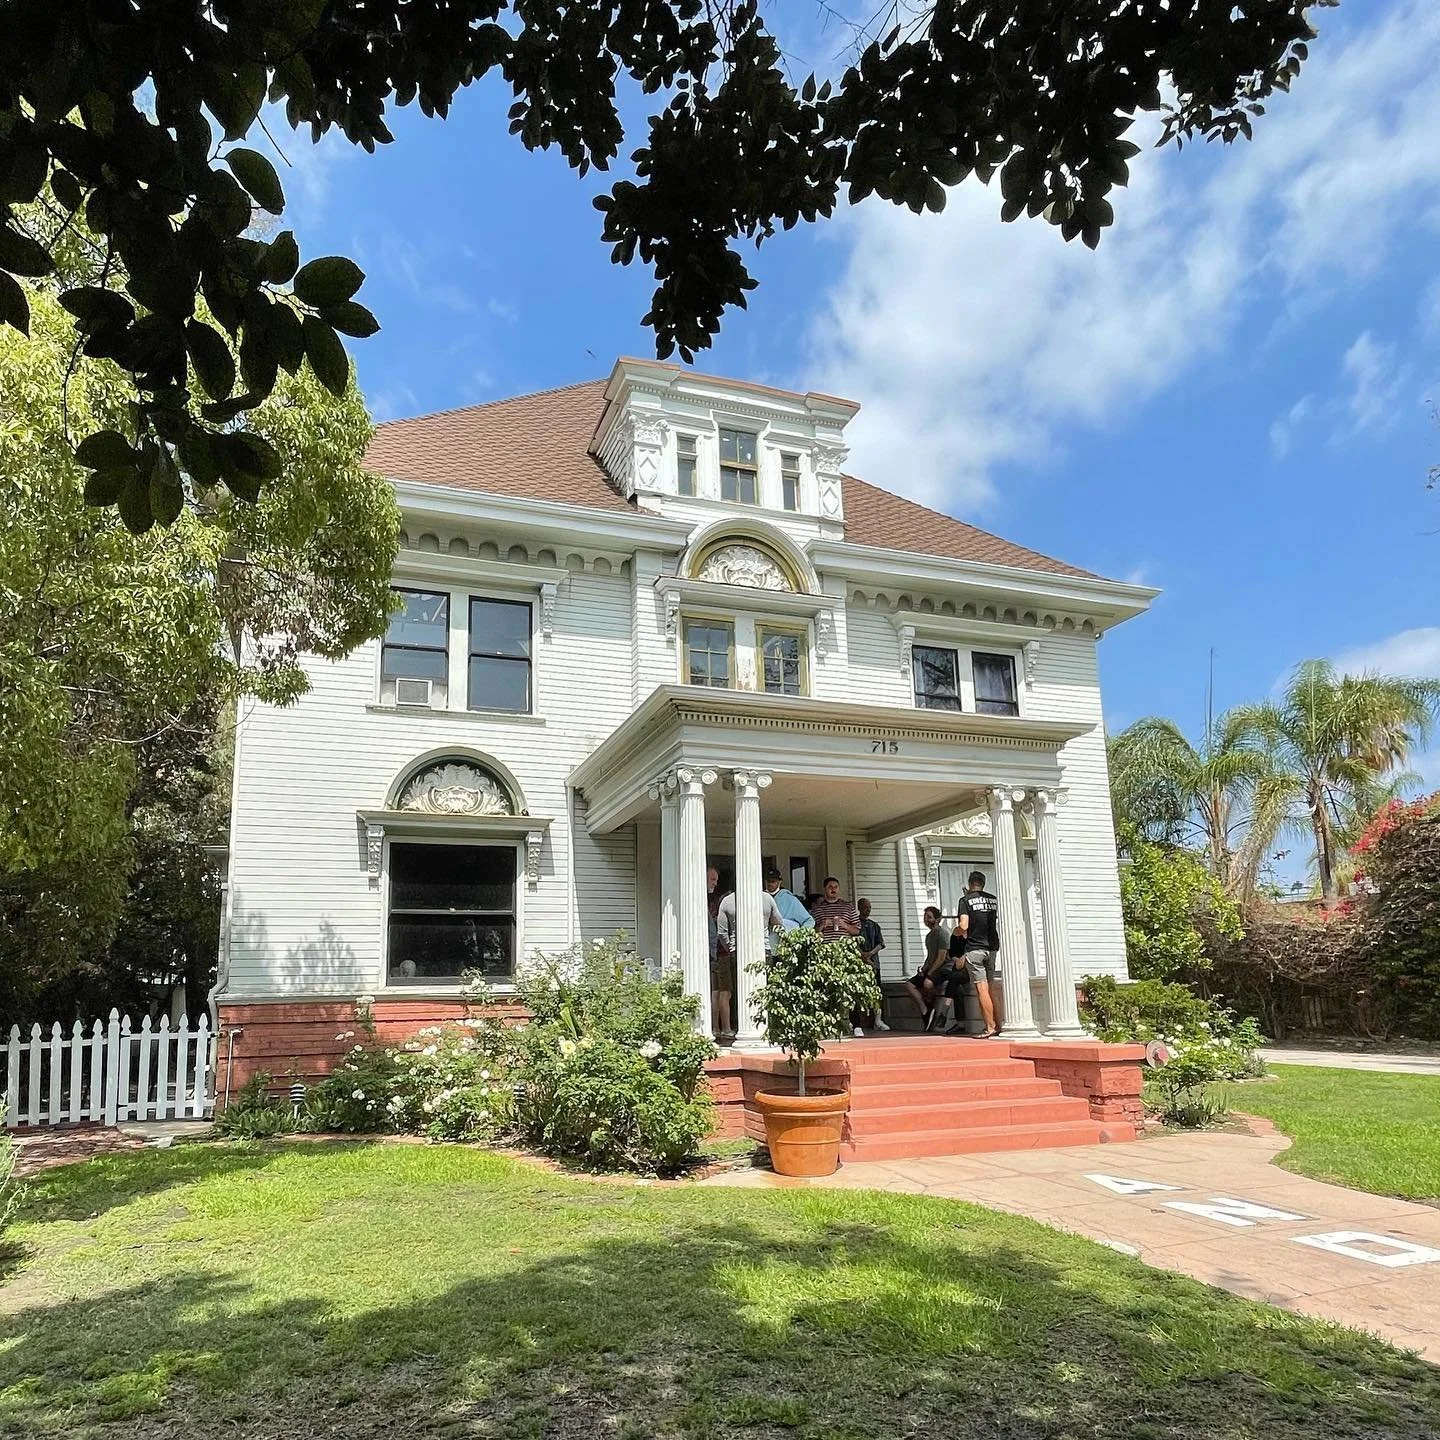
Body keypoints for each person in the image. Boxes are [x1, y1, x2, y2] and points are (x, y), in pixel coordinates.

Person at [948, 870, 1002, 1038]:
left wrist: (955, 932)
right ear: (983, 883)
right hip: (992, 947)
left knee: (981, 988)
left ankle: (989, 1027)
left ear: (970, 883)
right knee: (991, 987)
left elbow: (964, 925)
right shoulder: (992, 899)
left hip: (974, 948)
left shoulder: (965, 901)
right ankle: (999, 1025)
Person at [903, 905, 953, 1029]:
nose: (926, 920)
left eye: (929, 917)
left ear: (937, 919)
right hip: (933, 967)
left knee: (927, 983)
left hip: (945, 968)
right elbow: (930, 956)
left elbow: (941, 957)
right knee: (909, 985)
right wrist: (923, 969)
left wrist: (930, 972)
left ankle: (932, 1003)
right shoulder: (929, 936)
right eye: (925, 917)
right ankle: (925, 1009)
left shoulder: (942, 934)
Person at [851, 898, 891, 1035]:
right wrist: (862, 955)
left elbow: (881, 943)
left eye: (869, 907)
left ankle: (878, 1020)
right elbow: (852, 942)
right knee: (856, 992)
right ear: (859, 908)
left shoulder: (874, 925)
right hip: (858, 964)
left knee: (876, 992)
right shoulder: (855, 925)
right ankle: (855, 1022)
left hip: (874, 963)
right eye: (865, 907)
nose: (868, 910)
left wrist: (870, 954)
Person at [706, 865, 734, 1039]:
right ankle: (726, 1028)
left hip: (712, 952)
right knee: (724, 991)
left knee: (716, 991)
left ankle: (715, 1028)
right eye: (712, 879)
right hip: (719, 952)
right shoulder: (714, 904)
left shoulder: (709, 901)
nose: (715, 884)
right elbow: (718, 932)